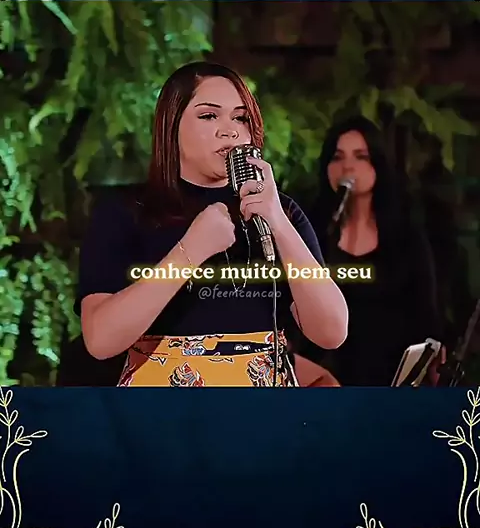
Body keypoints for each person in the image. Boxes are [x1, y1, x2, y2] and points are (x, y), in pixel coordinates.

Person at [75, 61, 348, 387]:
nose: (229, 130)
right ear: (171, 126)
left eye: (240, 118)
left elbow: (332, 332)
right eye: (208, 116)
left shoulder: (280, 210)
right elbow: (100, 340)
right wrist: (191, 251)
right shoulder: (126, 211)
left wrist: (277, 221)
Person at [290, 116, 445, 387]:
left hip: (389, 380)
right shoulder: (310, 230)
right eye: (337, 157)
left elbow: (426, 313)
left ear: (378, 165)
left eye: (361, 156)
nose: (347, 166)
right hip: (322, 383)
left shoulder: (405, 235)